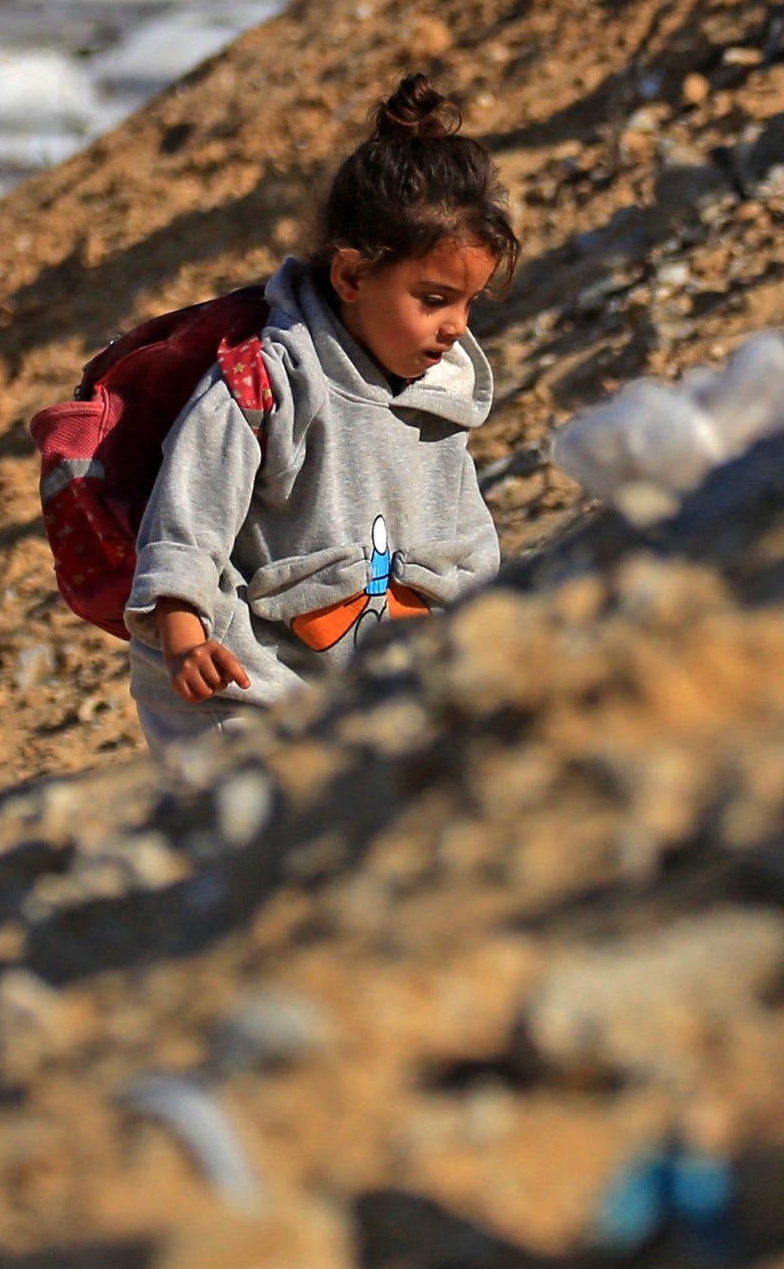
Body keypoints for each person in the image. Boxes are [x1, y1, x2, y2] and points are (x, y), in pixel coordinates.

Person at [126, 72, 517, 756]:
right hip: (237, 685)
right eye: (433, 299)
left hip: (358, 693)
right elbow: (186, 517)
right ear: (352, 277)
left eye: (469, 302)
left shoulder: (442, 401)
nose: (456, 326)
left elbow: (467, 544)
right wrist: (185, 634)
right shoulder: (264, 383)